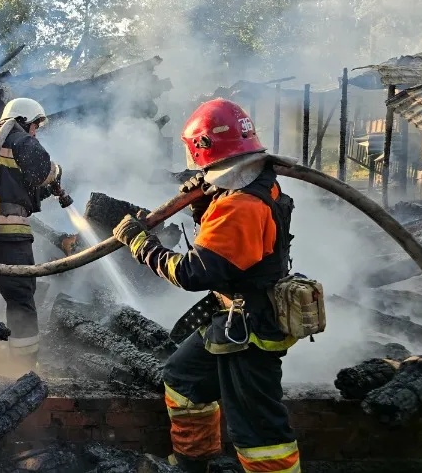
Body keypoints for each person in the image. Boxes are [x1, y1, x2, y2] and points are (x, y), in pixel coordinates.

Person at [111, 98, 300, 473]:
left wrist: (140, 244)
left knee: (261, 435)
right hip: (233, 319)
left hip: (251, 329)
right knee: (184, 380)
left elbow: (192, 273)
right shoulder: (256, 180)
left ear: (203, 148)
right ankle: (193, 462)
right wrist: (204, 198)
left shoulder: (241, 205)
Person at [0, 97, 64, 368]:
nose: (35, 132)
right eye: (35, 126)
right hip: (9, 240)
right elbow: (43, 171)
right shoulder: (20, 139)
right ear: (24, 120)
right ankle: (24, 369)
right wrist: (57, 172)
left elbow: (7, 185)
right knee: (20, 301)